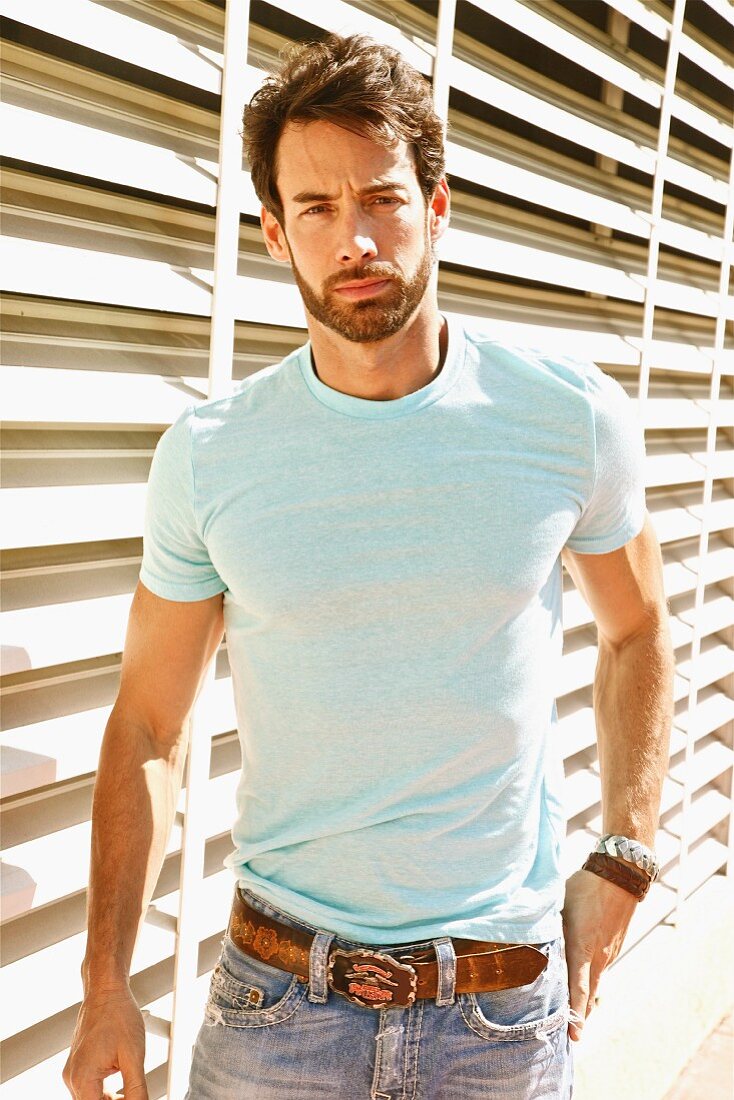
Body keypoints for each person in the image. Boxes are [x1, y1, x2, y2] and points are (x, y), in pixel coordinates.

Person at [63, 31, 674, 1100]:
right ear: (272, 229)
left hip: (500, 1012)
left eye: (382, 199)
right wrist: (104, 979)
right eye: (315, 207)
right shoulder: (209, 457)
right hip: (276, 1009)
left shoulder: (565, 418)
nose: (354, 239)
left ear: (435, 206)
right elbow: (148, 723)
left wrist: (622, 853)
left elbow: (635, 630)